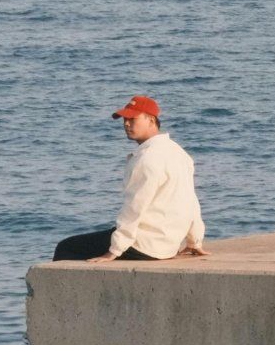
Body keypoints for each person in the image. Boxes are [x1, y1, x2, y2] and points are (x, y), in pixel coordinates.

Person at [52, 95, 208, 263]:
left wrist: (114, 250)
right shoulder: (179, 153)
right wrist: (194, 241)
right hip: (168, 245)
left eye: (132, 119)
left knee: (66, 247)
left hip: (144, 245)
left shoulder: (147, 159)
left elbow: (134, 208)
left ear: (151, 120)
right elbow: (190, 200)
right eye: (125, 119)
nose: (126, 123)